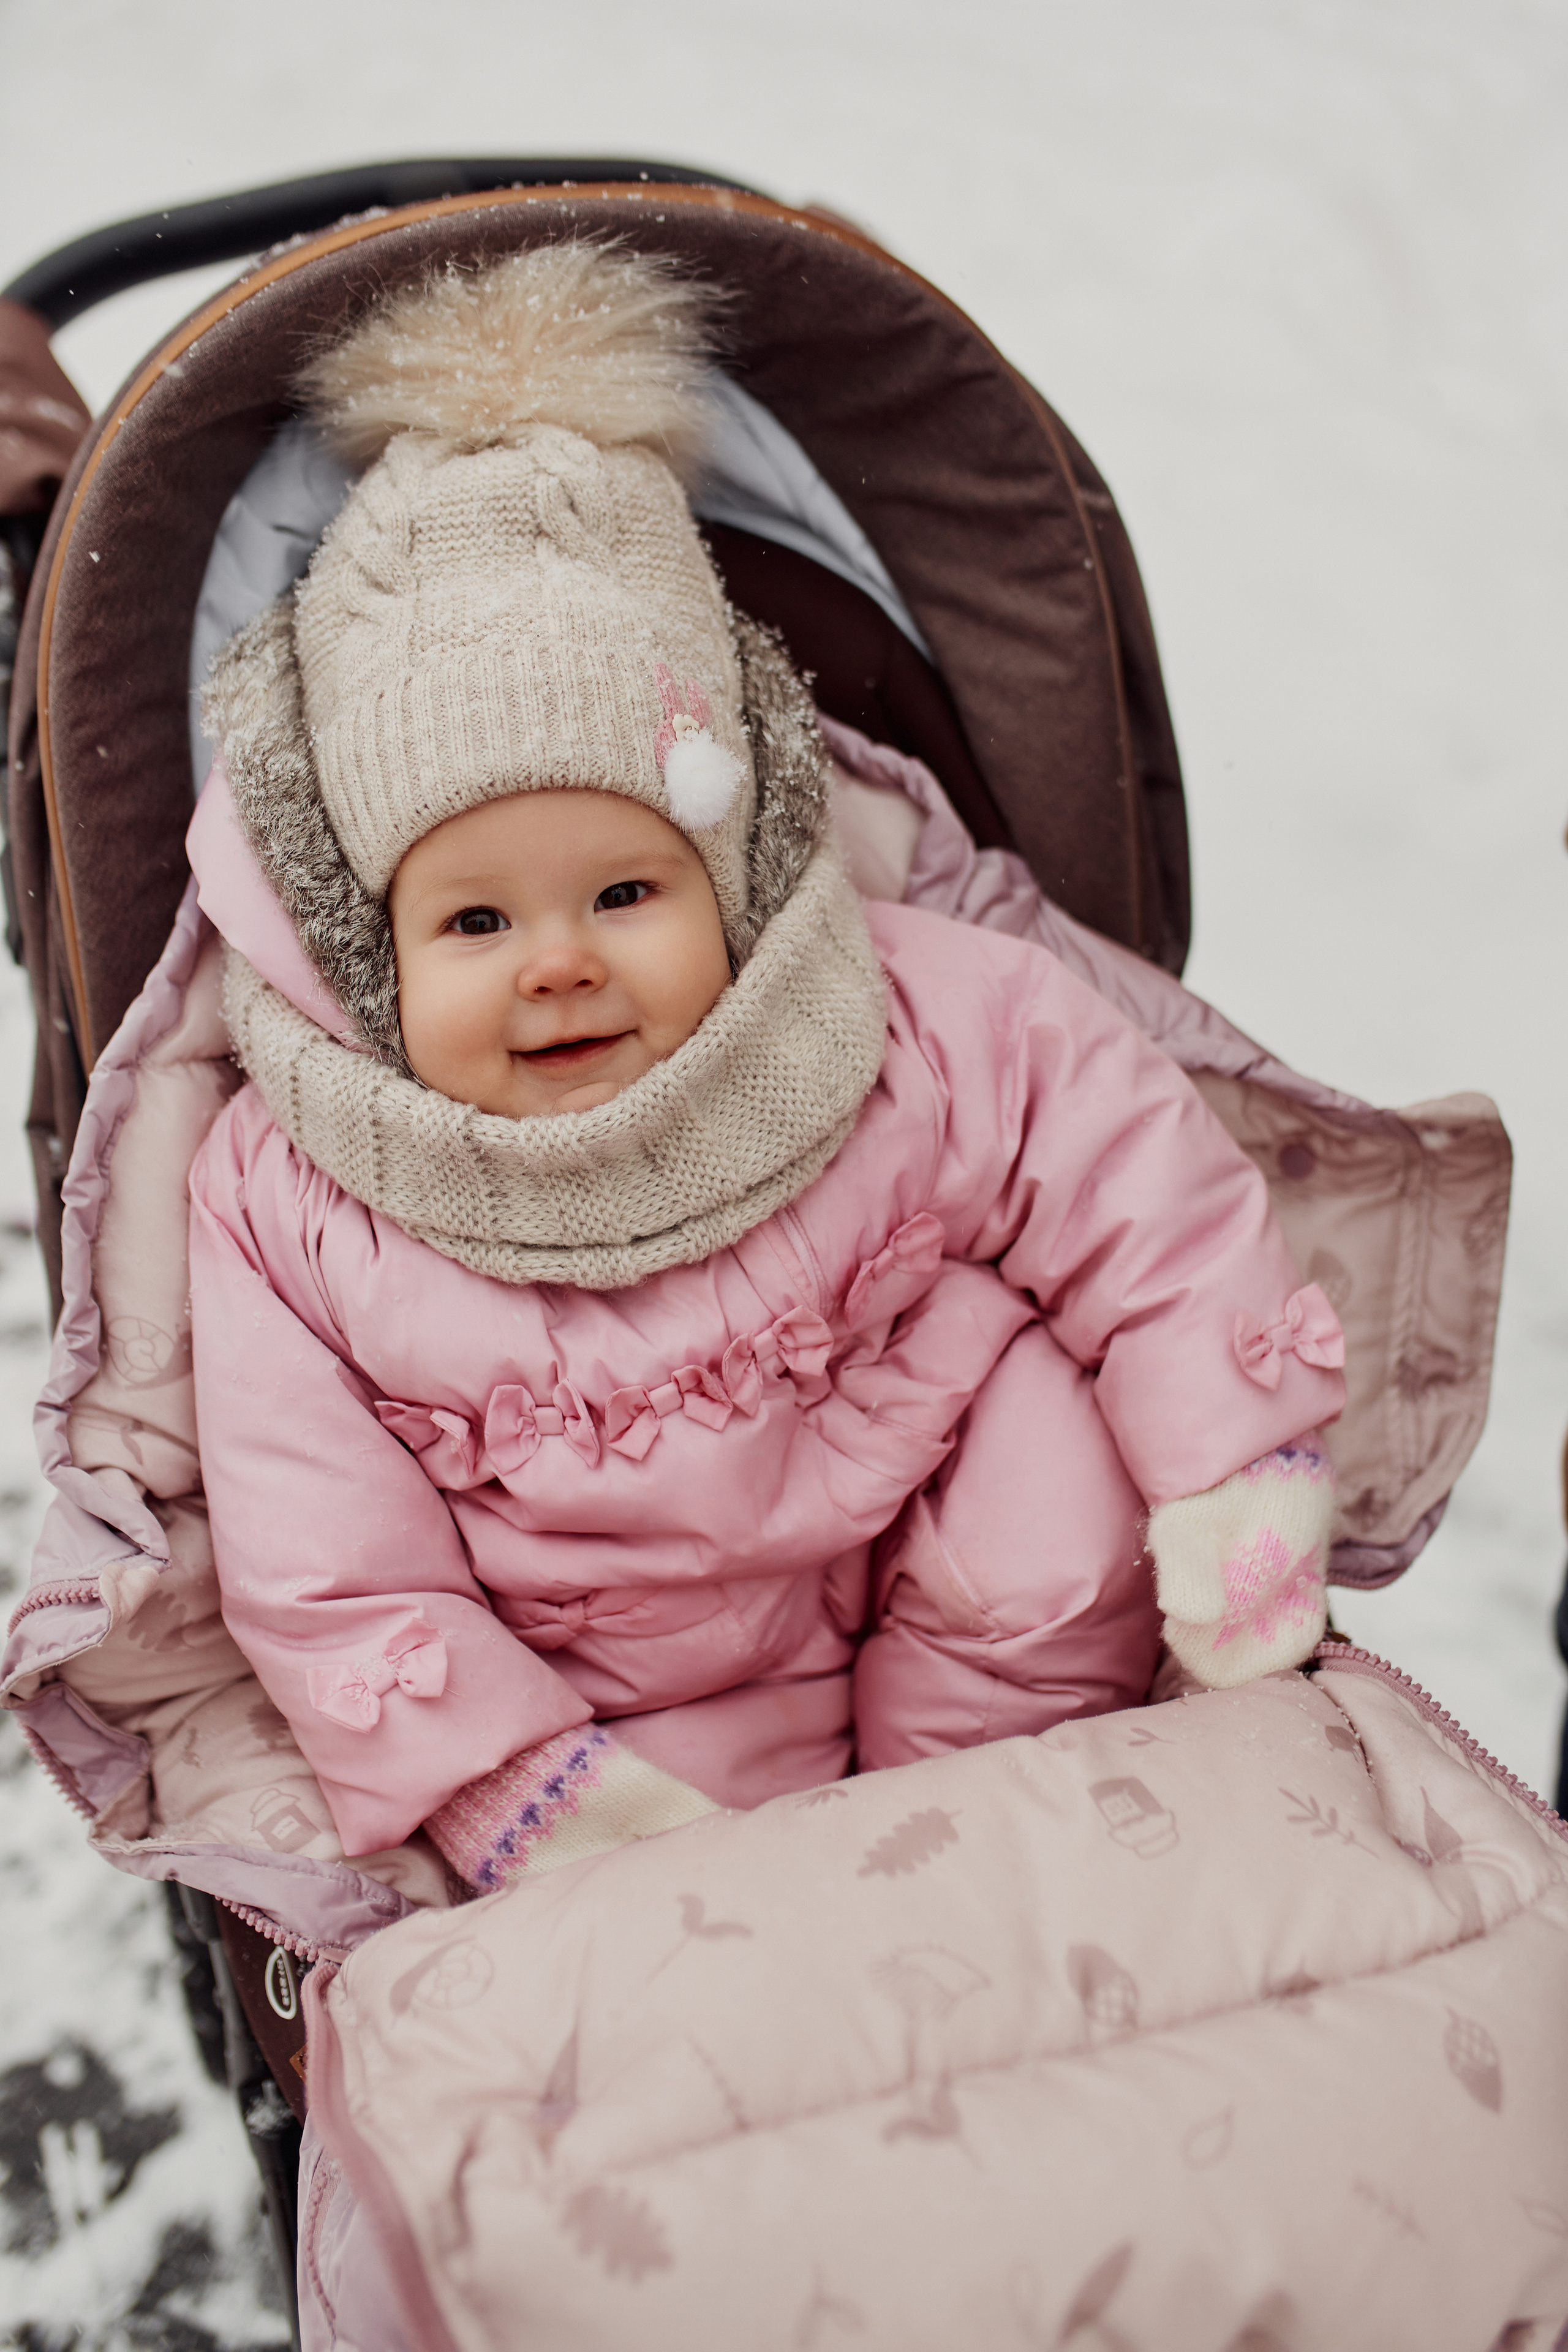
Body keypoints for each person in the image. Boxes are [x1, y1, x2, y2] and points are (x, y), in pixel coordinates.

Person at [187, 240, 1345, 1896]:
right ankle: (765, 1907)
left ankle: (1013, 1857)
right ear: (370, 960)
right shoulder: (292, 1196)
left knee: (1044, 1463)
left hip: (969, 1600)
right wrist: (513, 1774)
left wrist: (1232, 1471)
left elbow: (1136, 1190)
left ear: (730, 870)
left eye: (629, 892)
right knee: (731, 1919)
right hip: (627, 1703)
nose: (560, 959)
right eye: (474, 922)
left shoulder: (894, 1012)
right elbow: (326, 1555)